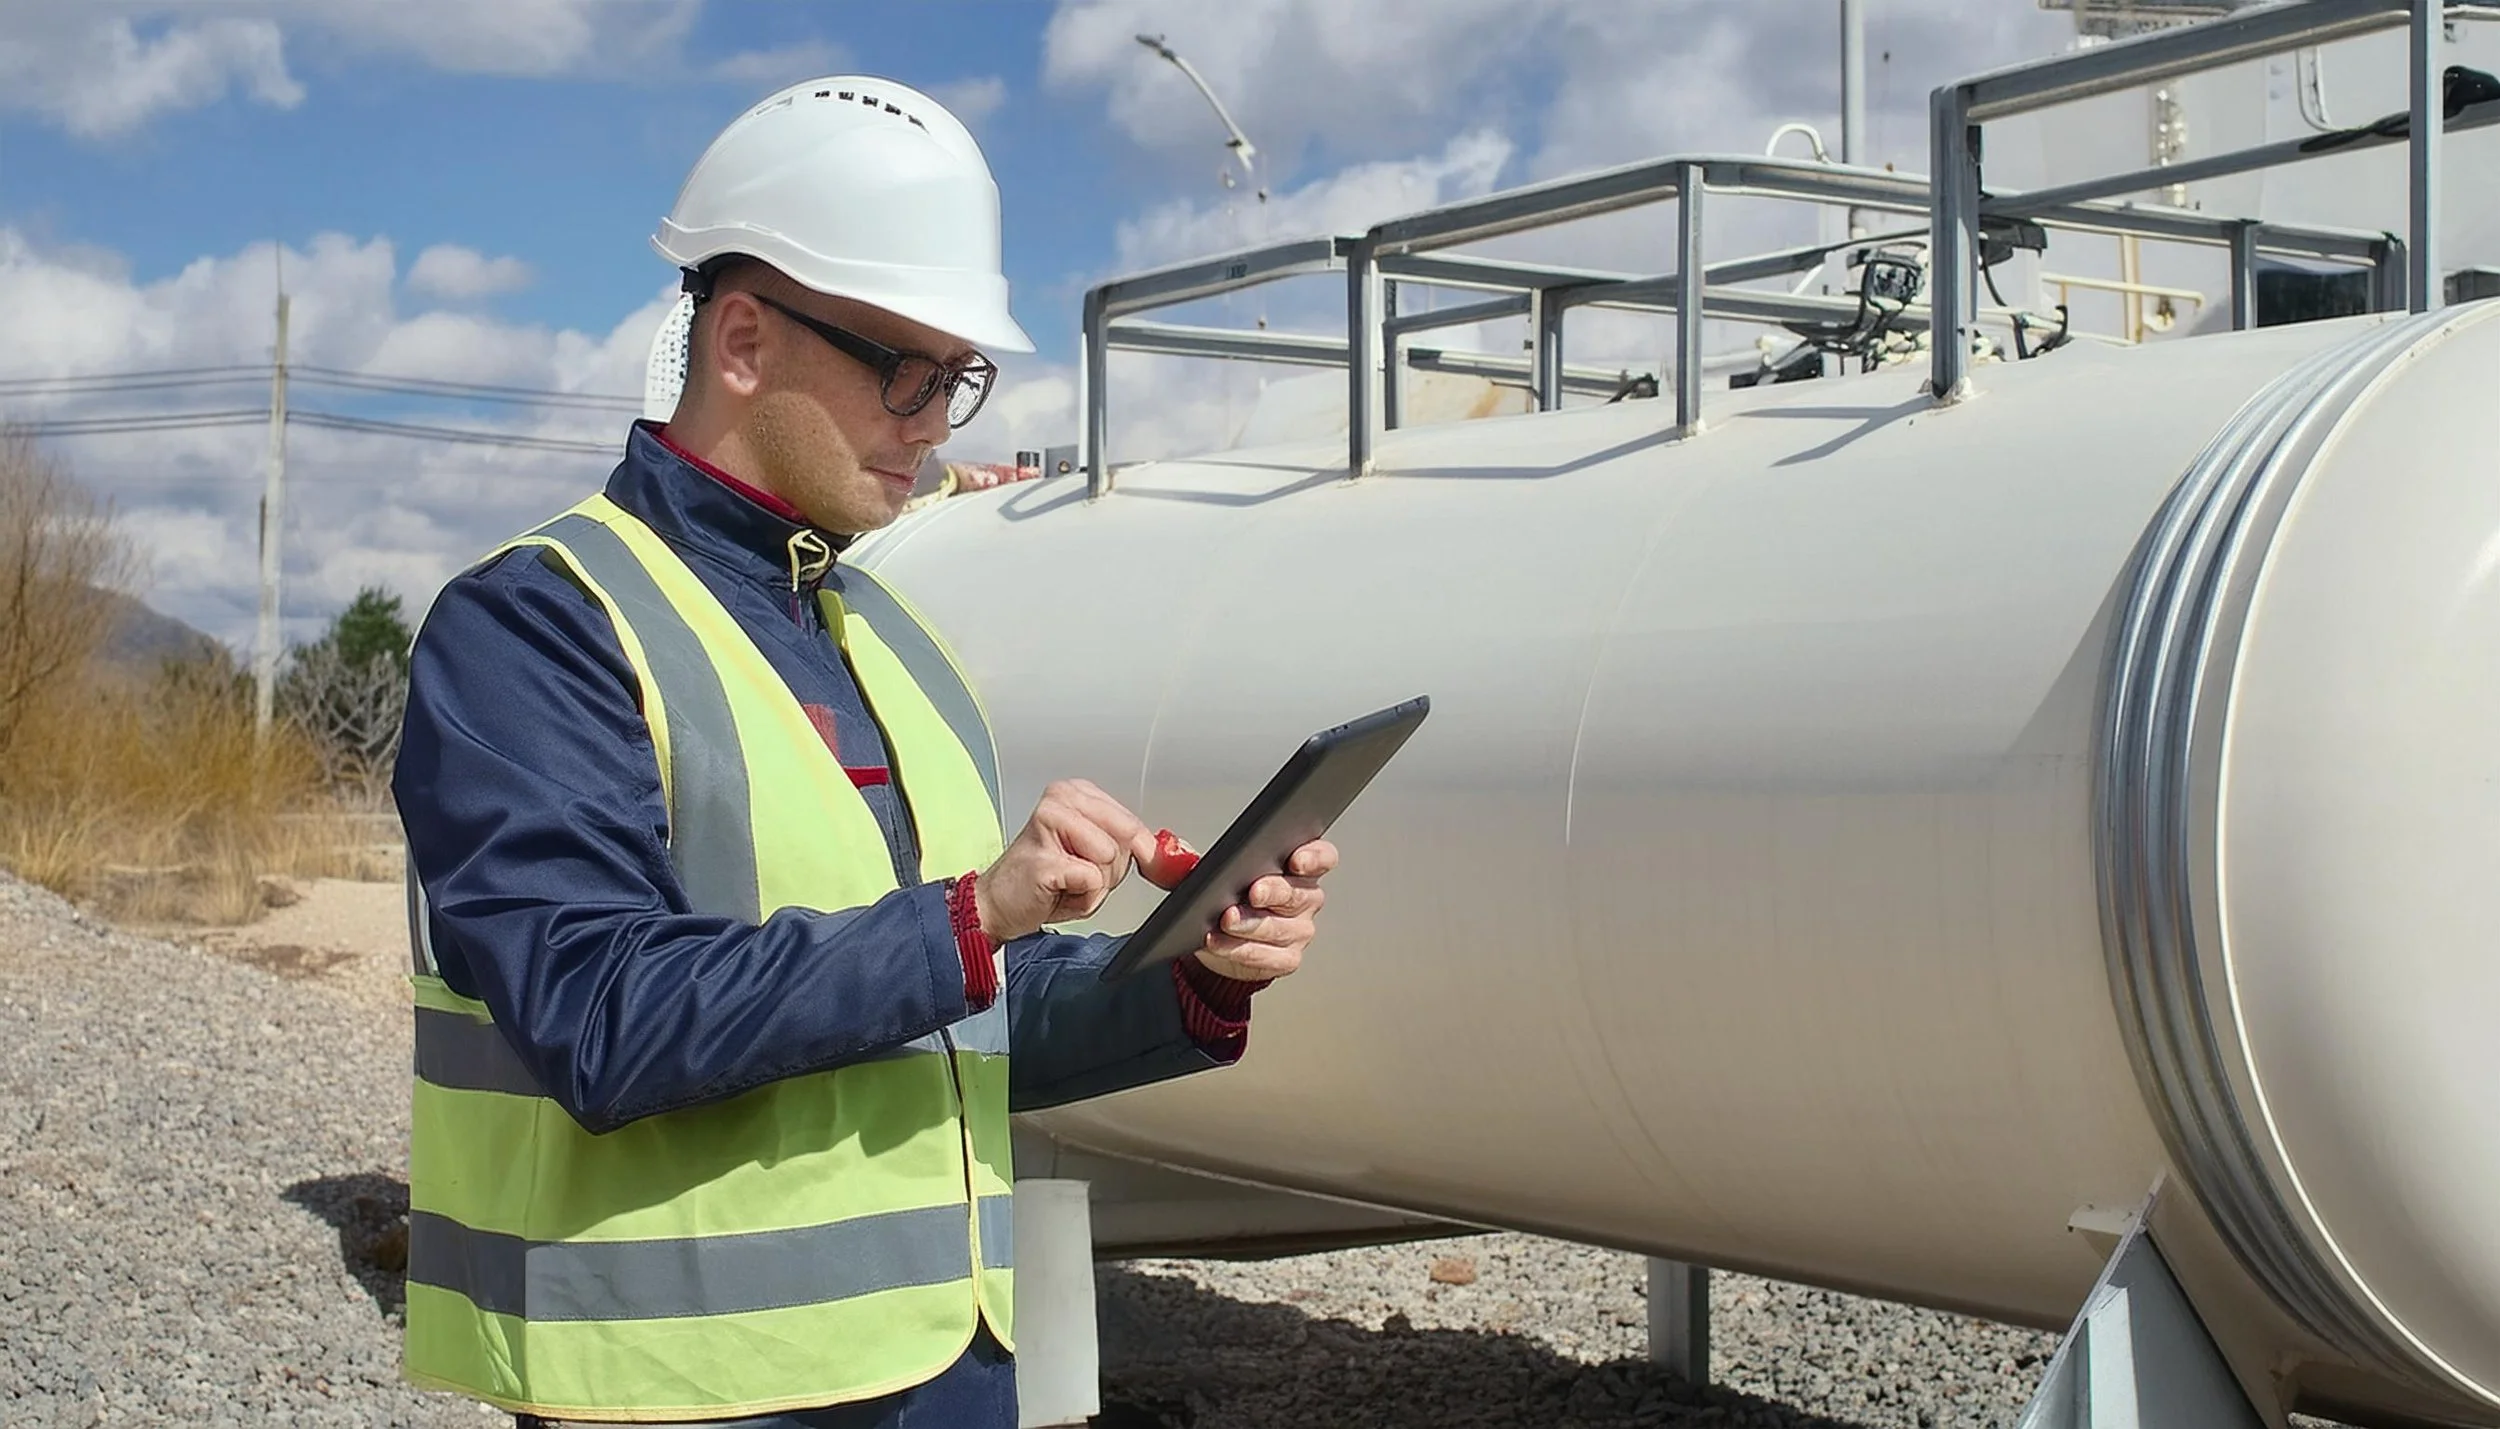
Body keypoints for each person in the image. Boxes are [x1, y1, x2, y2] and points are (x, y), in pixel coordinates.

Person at [391, 76, 1339, 1429]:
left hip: (950, 1372)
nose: (936, 423)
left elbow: (955, 1016)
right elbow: (599, 1015)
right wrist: (972, 914)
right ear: (741, 340)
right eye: (907, 370)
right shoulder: (538, 625)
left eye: (959, 380)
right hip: (687, 1388)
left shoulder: (894, 638)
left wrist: (1190, 972)